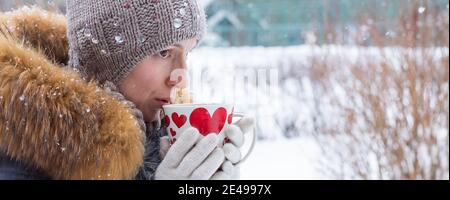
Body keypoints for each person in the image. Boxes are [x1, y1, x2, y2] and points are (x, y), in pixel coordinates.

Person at [0, 0, 254, 180]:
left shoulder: (159, 134)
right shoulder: (20, 149)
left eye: (187, 53)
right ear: (106, 58)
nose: (182, 78)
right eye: (164, 52)